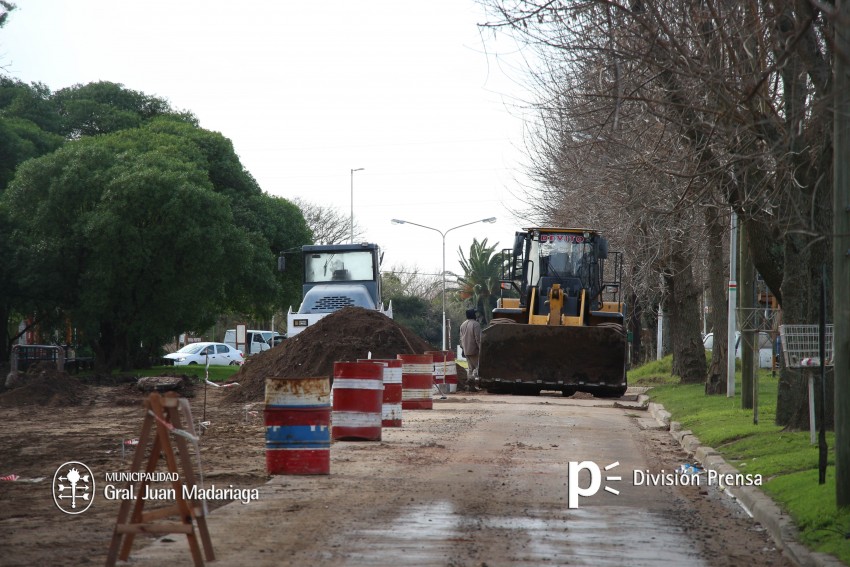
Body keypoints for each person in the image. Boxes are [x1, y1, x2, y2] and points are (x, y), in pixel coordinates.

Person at [459, 308, 482, 391]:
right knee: (478, 368)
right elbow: (478, 339)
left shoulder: (463, 324)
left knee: (470, 369)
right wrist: (482, 349)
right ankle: (474, 383)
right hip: (474, 350)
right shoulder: (476, 324)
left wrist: (463, 348)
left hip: (466, 350)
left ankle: (470, 387)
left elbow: (461, 339)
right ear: (473, 315)